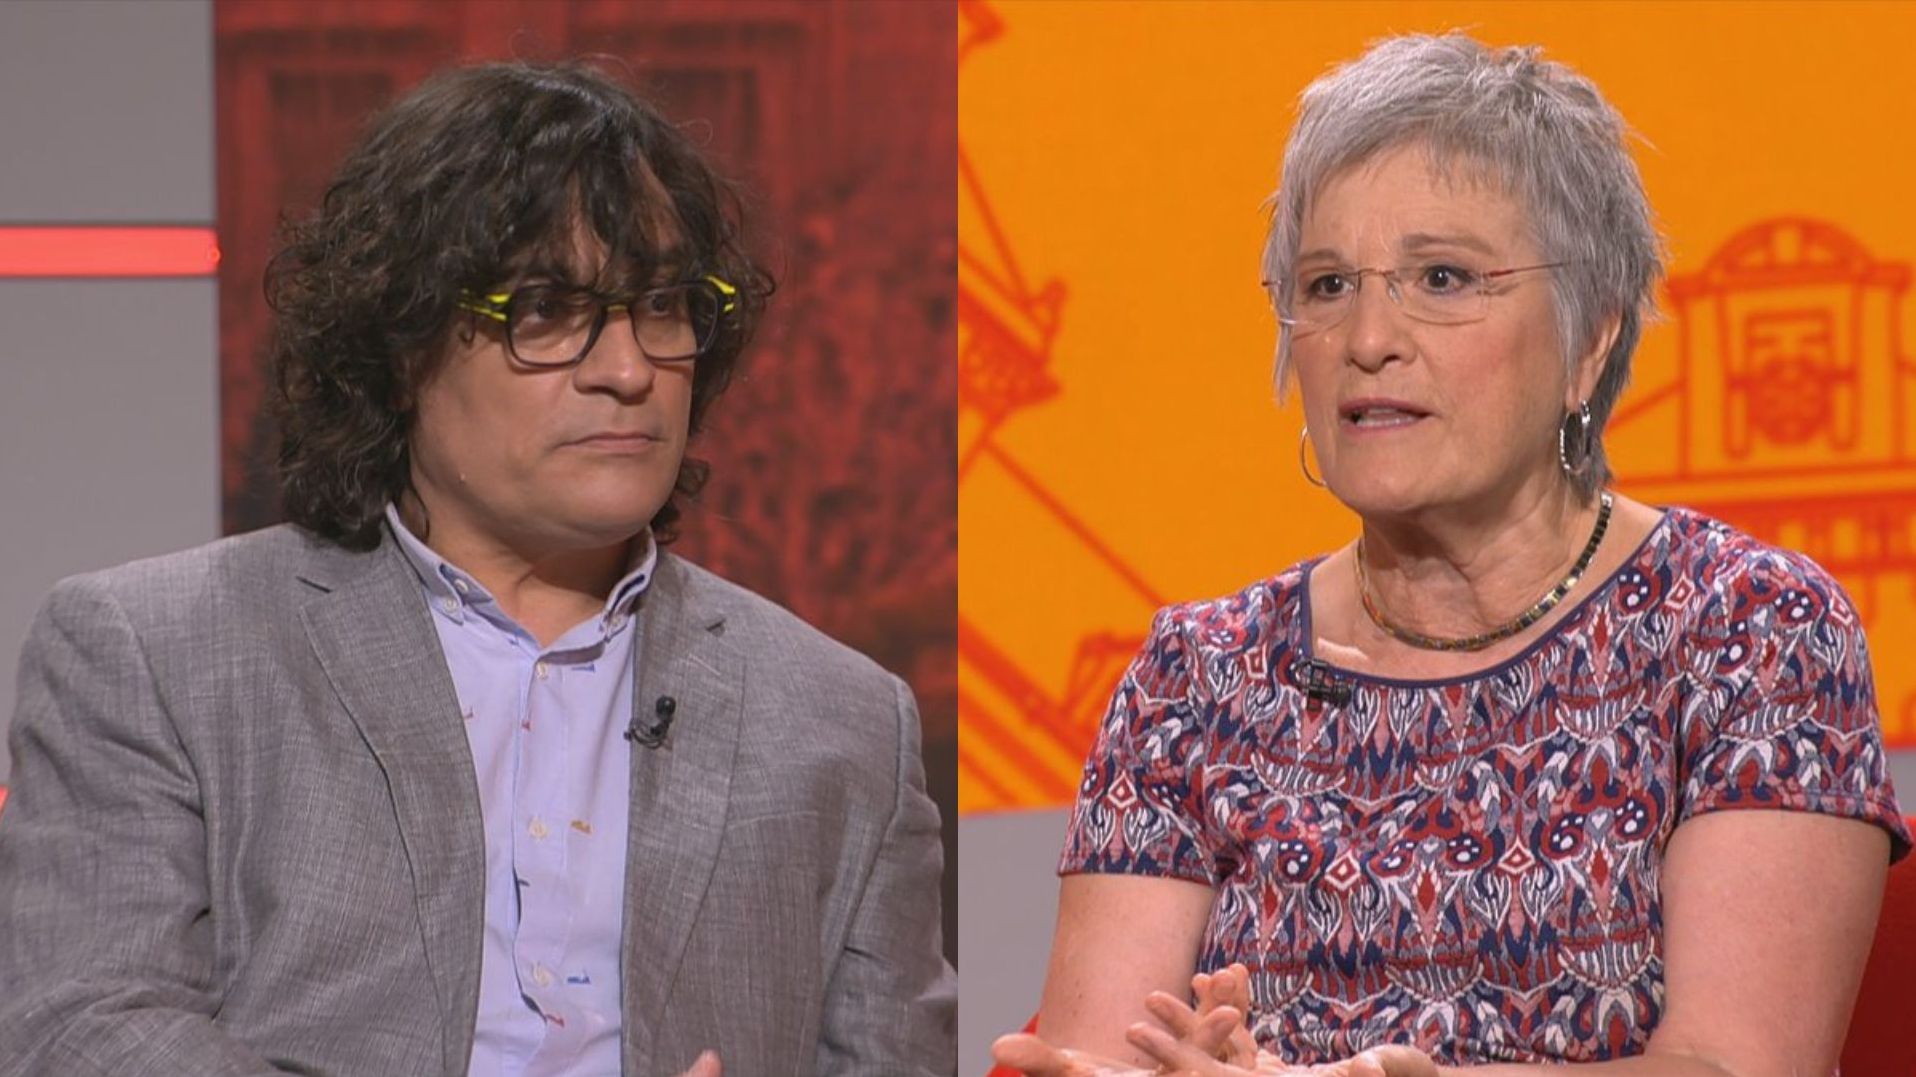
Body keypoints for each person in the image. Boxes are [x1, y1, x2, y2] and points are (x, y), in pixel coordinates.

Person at [0, 62, 955, 1077]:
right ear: (400, 343)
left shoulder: (842, 719)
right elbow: (83, 1026)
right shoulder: (158, 654)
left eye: (663, 306)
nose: (627, 369)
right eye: (545, 310)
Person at [994, 31, 1908, 1077]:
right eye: (1326, 285)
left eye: (1440, 276)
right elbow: (1092, 1056)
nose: (1366, 338)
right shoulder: (1195, 679)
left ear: (1590, 339)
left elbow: (1734, 1067)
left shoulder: (1748, 627)